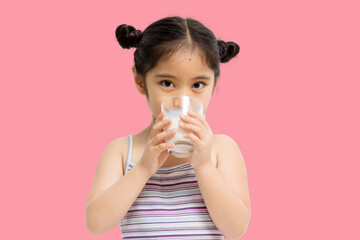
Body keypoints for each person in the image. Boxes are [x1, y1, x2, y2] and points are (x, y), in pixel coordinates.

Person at [85, 16, 251, 240]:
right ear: (140, 81)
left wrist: (203, 166)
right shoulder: (122, 151)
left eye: (197, 85)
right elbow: (96, 224)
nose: (181, 98)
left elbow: (236, 228)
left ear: (213, 84)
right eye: (167, 83)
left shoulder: (221, 149)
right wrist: (144, 167)